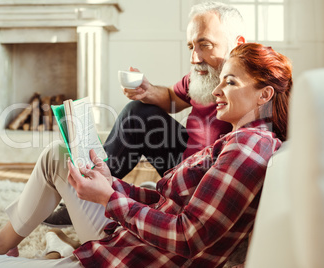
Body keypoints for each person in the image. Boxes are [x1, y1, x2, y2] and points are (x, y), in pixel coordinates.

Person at [0, 42, 292, 268]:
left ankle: (52, 248)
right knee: (59, 154)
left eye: (230, 82)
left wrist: (111, 199)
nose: (216, 89)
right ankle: (6, 247)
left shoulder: (247, 149)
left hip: (133, 256)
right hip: (130, 241)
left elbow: (187, 236)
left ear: (263, 95)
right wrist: (112, 186)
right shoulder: (239, 141)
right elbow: (162, 197)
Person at [44, 0, 246, 227]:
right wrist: (147, 91)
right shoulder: (202, 74)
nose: (194, 58)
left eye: (205, 45)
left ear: (237, 43)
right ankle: (89, 191)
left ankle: (111, 195)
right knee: (138, 112)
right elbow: (173, 98)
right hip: (184, 159)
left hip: (209, 177)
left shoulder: (254, 87)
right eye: (191, 47)